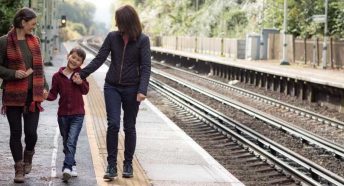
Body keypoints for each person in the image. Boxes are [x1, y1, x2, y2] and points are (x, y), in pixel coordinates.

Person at [78, 4, 151, 180]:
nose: (117, 24)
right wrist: (81, 74)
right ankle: (111, 165)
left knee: (129, 126)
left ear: (127, 21)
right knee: (113, 124)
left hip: (133, 88)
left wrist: (142, 90)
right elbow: (100, 58)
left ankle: (128, 163)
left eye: (119, 21)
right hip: (112, 87)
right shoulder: (112, 37)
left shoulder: (142, 40)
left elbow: (146, 66)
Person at [0, 7, 49, 183]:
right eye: (32, 24)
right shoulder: (4, 42)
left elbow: (39, 68)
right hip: (13, 95)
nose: (34, 27)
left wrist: (44, 87)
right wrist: (13, 74)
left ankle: (28, 155)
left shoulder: (34, 41)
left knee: (31, 133)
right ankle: (18, 168)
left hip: (32, 97)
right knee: (15, 132)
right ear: (23, 22)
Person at [46, 47, 89, 182]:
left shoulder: (81, 74)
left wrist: (80, 82)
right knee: (66, 142)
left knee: (71, 141)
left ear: (81, 63)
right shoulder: (57, 77)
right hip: (63, 115)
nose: (75, 61)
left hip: (78, 114)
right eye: (73, 57)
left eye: (78, 60)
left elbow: (85, 90)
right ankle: (72, 164)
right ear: (68, 56)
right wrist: (46, 95)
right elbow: (53, 95)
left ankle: (67, 168)